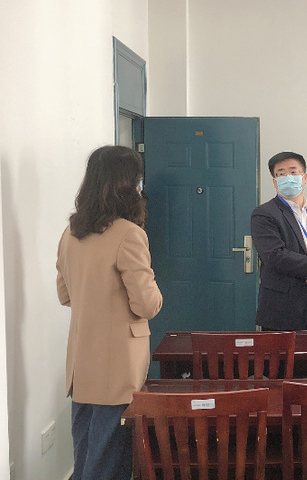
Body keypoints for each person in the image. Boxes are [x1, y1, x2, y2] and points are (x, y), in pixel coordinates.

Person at [56, 145, 163, 480]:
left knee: (86, 452)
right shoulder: (129, 234)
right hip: (117, 364)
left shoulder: (71, 232)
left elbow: (64, 295)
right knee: (111, 459)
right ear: (127, 184)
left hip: (82, 364)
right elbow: (146, 305)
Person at [251, 151, 307, 331]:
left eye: (293, 172)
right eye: (281, 174)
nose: (288, 177)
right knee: (281, 350)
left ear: (304, 178)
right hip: (282, 305)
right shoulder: (264, 213)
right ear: (275, 182)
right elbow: (275, 255)